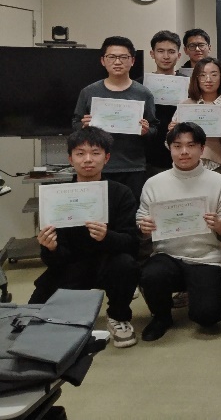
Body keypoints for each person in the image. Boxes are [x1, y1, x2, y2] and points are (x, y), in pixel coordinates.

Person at [30, 127, 141, 348]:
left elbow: (131, 243)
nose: (88, 159)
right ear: (70, 159)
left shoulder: (121, 193)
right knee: (32, 320)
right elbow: (52, 260)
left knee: (126, 265)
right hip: (71, 264)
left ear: (106, 158)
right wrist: (51, 248)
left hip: (109, 262)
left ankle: (118, 316)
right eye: (80, 153)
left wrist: (107, 236)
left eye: (95, 153)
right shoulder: (56, 196)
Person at [137, 122, 221, 341]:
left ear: (202, 149)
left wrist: (218, 223)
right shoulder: (154, 183)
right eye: (177, 146)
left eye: (191, 146)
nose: (184, 151)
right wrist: (144, 227)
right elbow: (141, 220)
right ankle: (161, 317)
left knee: (208, 316)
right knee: (151, 275)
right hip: (167, 255)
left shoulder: (219, 181)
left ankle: (201, 293)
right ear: (169, 148)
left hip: (206, 257)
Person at [73, 35, 158, 202]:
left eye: (123, 57)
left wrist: (146, 131)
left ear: (132, 61)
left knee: (131, 213)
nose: (117, 62)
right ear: (103, 61)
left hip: (133, 167)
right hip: (98, 167)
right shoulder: (89, 92)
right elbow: (75, 123)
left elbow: (155, 128)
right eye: (111, 57)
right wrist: (84, 127)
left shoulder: (143, 93)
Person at [170, 57, 221, 179]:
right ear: (196, 79)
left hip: (219, 169)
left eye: (214, 75)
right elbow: (169, 144)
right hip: (185, 166)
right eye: (202, 75)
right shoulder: (185, 106)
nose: (208, 79)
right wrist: (172, 132)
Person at [146, 30, 184, 174]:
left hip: (182, 152)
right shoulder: (140, 85)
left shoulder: (189, 85)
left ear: (178, 55)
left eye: (171, 52)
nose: (166, 56)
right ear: (152, 54)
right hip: (149, 155)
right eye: (160, 51)